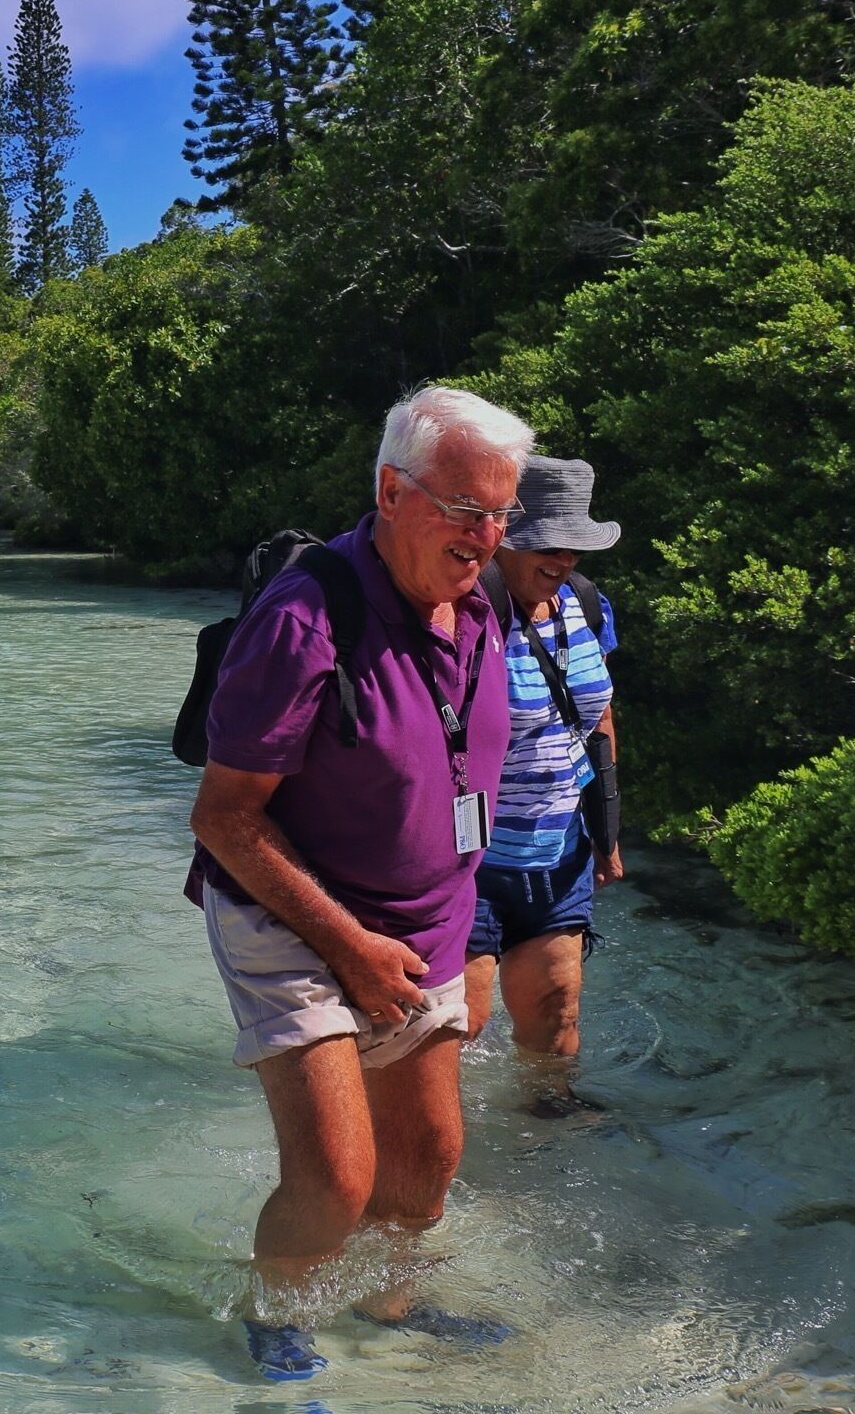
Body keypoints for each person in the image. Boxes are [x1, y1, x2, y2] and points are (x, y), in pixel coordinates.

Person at [186, 385, 533, 1383]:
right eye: (466, 509)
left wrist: (464, 937)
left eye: (502, 511)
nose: (488, 535)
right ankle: (277, 1319)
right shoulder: (305, 619)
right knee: (338, 1177)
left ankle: (391, 1309)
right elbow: (224, 820)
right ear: (390, 489)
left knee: (424, 1168)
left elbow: (458, 782)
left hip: (424, 923)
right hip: (290, 916)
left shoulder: (487, 602)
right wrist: (348, 945)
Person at [464, 457, 624, 1063]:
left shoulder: (585, 605)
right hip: (467, 861)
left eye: (575, 549)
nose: (563, 561)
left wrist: (606, 832)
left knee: (556, 1019)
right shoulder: (462, 615)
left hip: (560, 852)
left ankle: (547, 1136)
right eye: (548, 545)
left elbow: (599, 720)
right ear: (503, 535)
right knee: (458, 1026)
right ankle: (425, 1151)